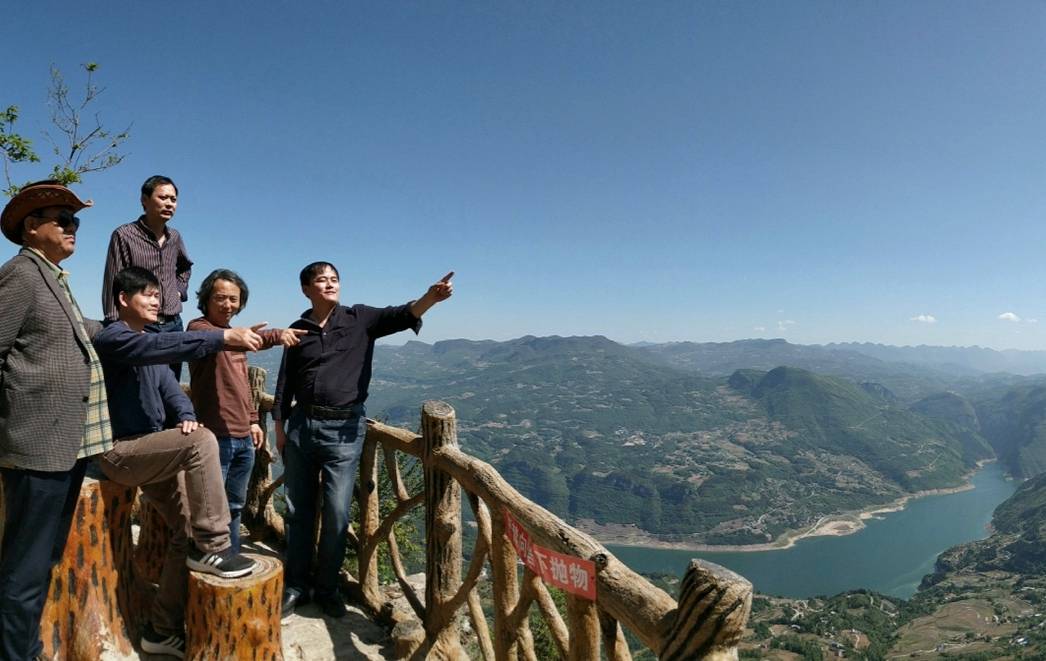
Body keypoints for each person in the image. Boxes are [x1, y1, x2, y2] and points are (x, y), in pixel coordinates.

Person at [93, 266, 272, 658]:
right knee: (203, 442)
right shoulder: (116, 338)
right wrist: (224, 337)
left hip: (152, 449)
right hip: (121, 453)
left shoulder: (150, 341)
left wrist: (185, 413)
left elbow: (171, 390)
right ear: (124, 300)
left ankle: (162, 630)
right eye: (147, 294)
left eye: (159, 294)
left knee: (183, 531)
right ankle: (215, 545)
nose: (157, 300)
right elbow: (160, 349)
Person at [273, 262, 453, 619]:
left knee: (338, 514)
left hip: (343, 430)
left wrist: (430, 299)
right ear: (306, 289)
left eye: (334, 278)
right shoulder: (298, 329)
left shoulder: (360, 319)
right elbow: (285, 382)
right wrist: (279, 425)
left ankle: (327, 588)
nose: (330, 283)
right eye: (321, 279)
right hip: (300, 427)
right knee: (299, 512)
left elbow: (402, 315)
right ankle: (296, 585)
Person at [0, 181, 111, 660]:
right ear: (32, 226)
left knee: (41, 561)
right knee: (23, 570)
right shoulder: (21, 276)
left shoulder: (53, 279)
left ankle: (25, 647)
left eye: (75, 221)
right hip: (34, 448)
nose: (72, 229)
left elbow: (77, 333)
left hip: (62, 448)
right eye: (62, 220)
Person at [187, 269, 305, 552]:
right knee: (211, 509)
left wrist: (253, 420)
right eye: (220, 298)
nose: (228, 304)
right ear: (206, 299)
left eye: (233, 299)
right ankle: (205, 562)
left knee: (235, 507)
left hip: (243, 436)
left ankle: (231, 558)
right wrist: (274, 334)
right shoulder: (198, 329)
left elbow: (240, 385)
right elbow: (222, 338)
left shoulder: (238, 339)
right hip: (215, 435)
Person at [101, 175, 191, 379]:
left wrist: (179, 290)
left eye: (173, 199)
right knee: (142, 387)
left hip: (173, 324)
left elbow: (185, 267)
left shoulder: (174, 237)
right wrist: (118, 327)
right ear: (144, 200)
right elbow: (113, 283)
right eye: (163, 197)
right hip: (141, 326)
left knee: (170, 387)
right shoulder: (124, 235)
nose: (169, 203)